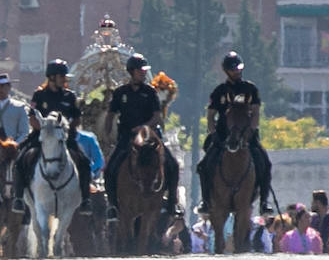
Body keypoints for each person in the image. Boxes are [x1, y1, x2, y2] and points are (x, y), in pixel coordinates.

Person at [103, 53, 181, 222]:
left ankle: (172, 203)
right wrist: (108, 133)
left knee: (172, 165)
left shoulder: (150, 93)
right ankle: (112, 205)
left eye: (144, 71)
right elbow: (110, 115)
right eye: (140, 70)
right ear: (132, 71)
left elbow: (157, 117)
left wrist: (144, 126)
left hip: (149, 138)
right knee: (110, 169)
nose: (143, 73)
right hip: (127, 138)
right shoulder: (120, 93)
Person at [10, 59, 93, 216]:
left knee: (84, 162)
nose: (64, 79)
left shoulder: (70, 96)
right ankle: (19, 197)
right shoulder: (39, 95)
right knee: (21, 159)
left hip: (65, 138)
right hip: (41, 137)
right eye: (62, 76)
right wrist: (46, 129)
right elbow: (32, 118)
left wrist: (66, 125)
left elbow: (77, 118)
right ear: (52, 77)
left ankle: (85, 200)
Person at [196, 51, 273, 215]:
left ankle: (264, 202)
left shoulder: (250, 89)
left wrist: (250, 132)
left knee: (265, 163)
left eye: (238, 69)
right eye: (233, 69)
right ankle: (206, 201)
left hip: (246, 135)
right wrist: (214, 133)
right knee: (204, 166)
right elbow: (210, 116)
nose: (237, 72)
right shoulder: (219, 91)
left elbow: (256, 113)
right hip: (224, 136)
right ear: (227, 71)